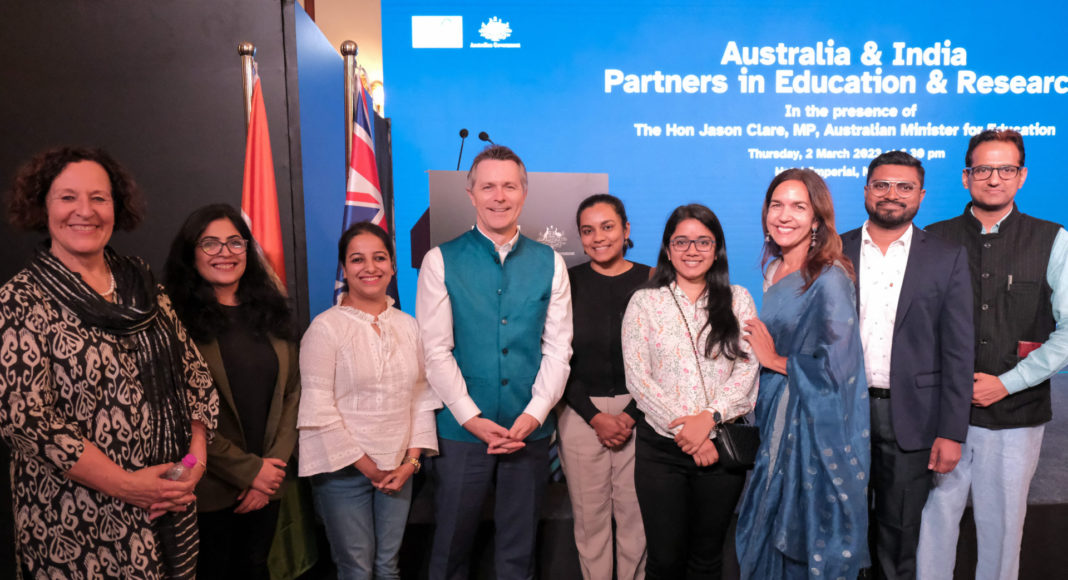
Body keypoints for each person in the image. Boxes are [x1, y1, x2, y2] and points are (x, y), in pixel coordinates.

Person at [0, 146, 218, 579]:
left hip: (166, 508)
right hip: (74, 521)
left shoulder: (142, 284)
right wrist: (127, 485)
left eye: (99, 198)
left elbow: (193, 374)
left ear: (117, 207)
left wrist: (193, 464)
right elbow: (24, 418)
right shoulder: (20, 300)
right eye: (68, 197)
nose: (85, 211)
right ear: (42, 206)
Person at [416, 145, 573, 580]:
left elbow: (559, 350)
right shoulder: (439, 260)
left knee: (517, 554)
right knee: (449, 548)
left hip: (530, 431)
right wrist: (471, 418)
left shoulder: (550, 262)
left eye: (509, 186)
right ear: (471, 193)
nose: (498, 196)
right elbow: (435, 351)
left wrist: (534, 413)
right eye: (488, 186)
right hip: (461, 433)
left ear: (524, 193)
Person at [917, 129, 1068, 580]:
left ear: (1021, 177)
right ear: (966, 177)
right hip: (940, 414)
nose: (994, 179)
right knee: (933, 522)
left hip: (1015, 414)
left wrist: (1007, 382)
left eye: (1006, 169)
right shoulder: (932, 239)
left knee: (1003, 531)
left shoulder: (1053, 239)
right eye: (983, 169)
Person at [839, 151, 973, 580]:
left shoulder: (946, 257)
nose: (891, 195)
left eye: (904, 186)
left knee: (898, 538)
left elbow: (957, 351)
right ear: (865, 190)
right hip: (842, 415)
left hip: (911, 420)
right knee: (843, 531)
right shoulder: (832, 250)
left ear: (921, 195)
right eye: (881, 185)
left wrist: (952, 432)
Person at [736, 168, 870, 580]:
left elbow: (840, 367)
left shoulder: (829, 277)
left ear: (817, 218)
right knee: (763, 521)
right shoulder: (773, 269)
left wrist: (775, 360)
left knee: (799, 533)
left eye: (798, 206)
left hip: (810, 428)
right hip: (772, 415)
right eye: (776, 205)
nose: (784, 215)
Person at [163, 203, 300, 580]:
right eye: (210, 243)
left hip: (268, 483)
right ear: (191, 253)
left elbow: (292, 395)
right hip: (204, 485)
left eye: (235, 242)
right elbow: (181, 411)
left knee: (255, 569)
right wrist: (248, 471)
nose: (225, 252)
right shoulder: (173, 321)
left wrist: (269, 472)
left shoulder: (272, 312)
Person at [621, 203, 759, 579]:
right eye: (681, 241)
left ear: (717, 249)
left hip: (722, 449)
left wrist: (709, 421)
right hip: (662, 452)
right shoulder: (645, 302)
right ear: (667, 249)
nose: (692, 250)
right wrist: (690, 434)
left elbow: (747, 370)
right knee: (665, 561)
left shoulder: (738, 299)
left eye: (703, 241)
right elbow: (638, 378)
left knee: (707, 560)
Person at [298, 221, 439, 580]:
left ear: (392, 266)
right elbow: (318, 408)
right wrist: (368, 466)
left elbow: (420, 398)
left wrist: (410, 463)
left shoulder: (409, 326)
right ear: (344, 269)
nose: (370, 267)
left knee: (388, 568)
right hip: (344, 473)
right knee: (356, 570)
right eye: (357, 259)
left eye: (379, 258)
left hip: (399, 469)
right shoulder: (326, 328)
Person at [559, 193, 650, 580]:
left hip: (644, 414)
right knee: (590, 521)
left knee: (637, 522)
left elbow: (666, 359)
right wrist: (595, 416)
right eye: (588, 230)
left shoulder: (654, 281)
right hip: (581, 414)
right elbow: (555, 357)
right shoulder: (566, 281)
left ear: (626, 230)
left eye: (608, 227)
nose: (599, 237)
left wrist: (629, 416)